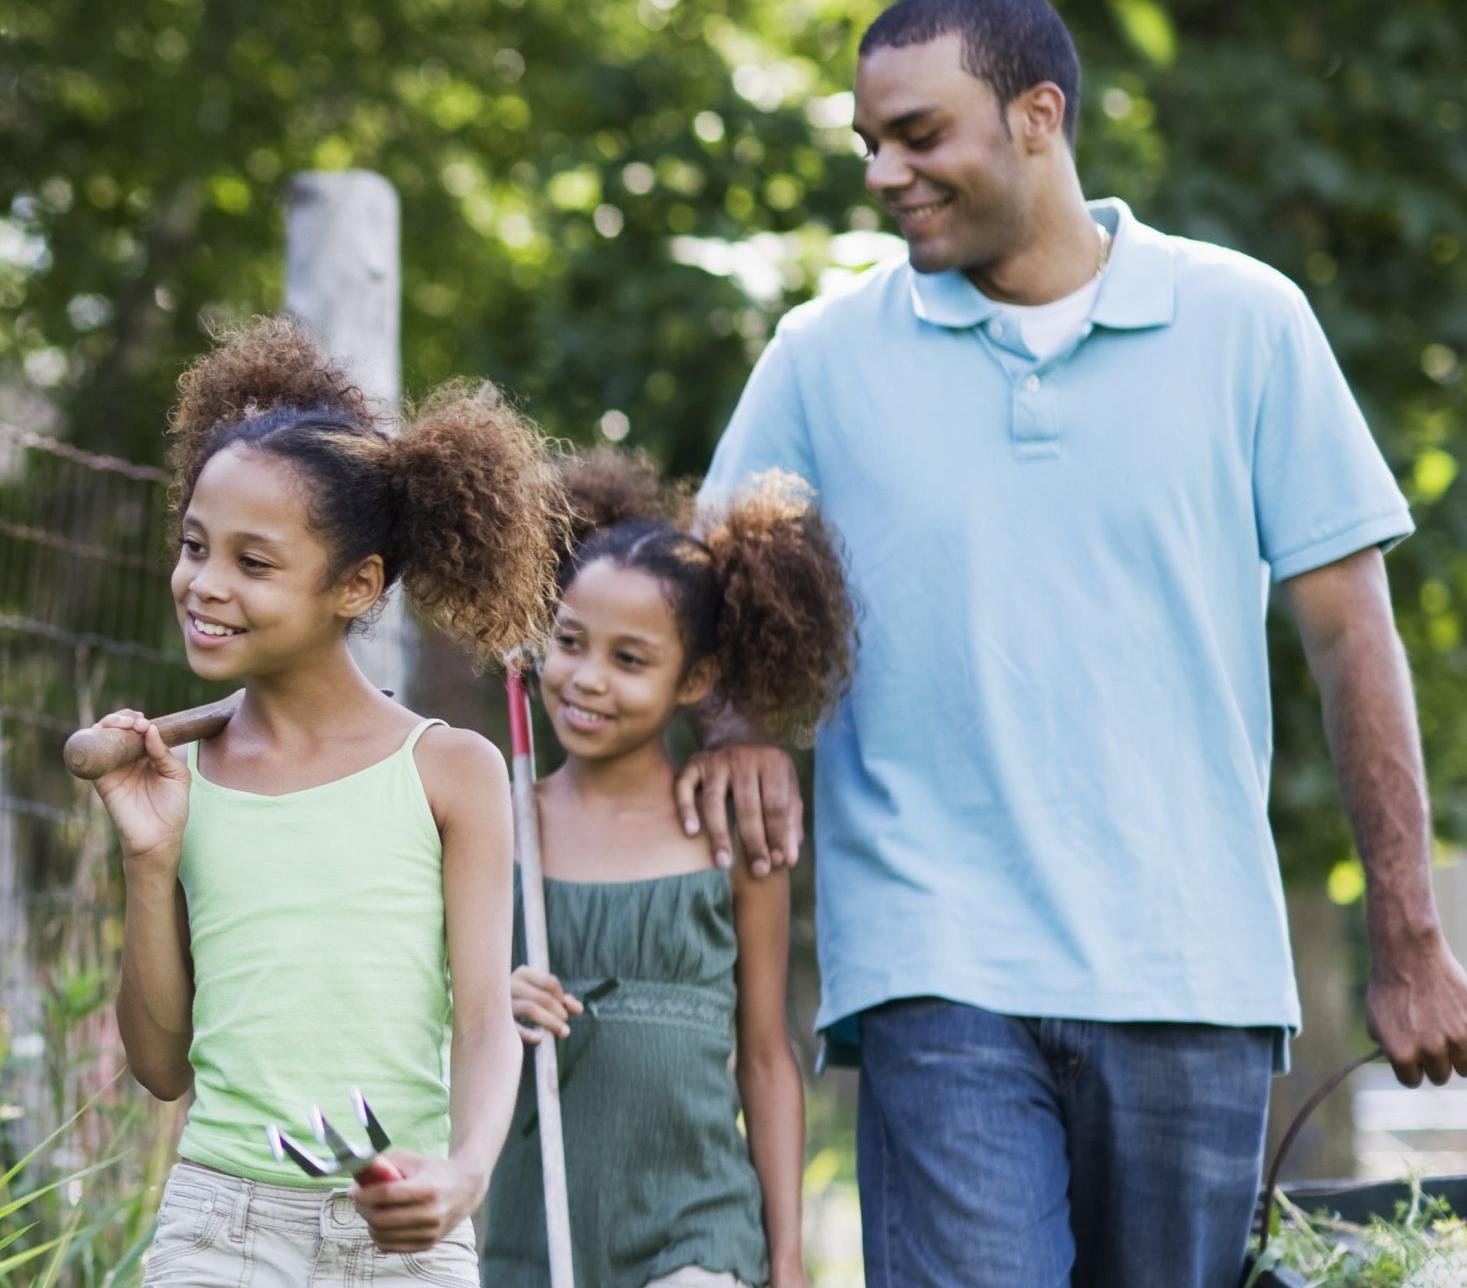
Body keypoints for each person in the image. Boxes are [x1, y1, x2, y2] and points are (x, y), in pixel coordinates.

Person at [675, 0, 1467, 1278]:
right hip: (936, 965)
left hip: (1190, 968)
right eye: (871, 142)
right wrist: (741, 729)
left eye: (919, 135)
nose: (884, 174)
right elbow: (707, 588)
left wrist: (1412, 939)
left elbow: (1350, 641)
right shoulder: (824, 356)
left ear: (1038, 116)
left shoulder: (1247, 322)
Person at [91, 318, 556, 1284]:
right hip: (219, 1227)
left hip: (404, 1231)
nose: (204, 584)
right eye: (193, 546)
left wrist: (465, 1175)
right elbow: (161, 1068)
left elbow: (481, 1022)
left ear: (356, 585)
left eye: (252, 564)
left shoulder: (448, 773)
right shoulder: (187, 778)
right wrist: (147, 861)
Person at [481, 451, 850, 1288]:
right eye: (568, 643)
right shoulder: (497, 827)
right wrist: (486, 1001)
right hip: (525, 1236)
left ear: (698, 678)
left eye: (629, 660)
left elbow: (764, 1054)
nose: (585, 680)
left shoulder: (726, 840)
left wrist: (785, 1261)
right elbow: (429, 1016)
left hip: (697, 1236)